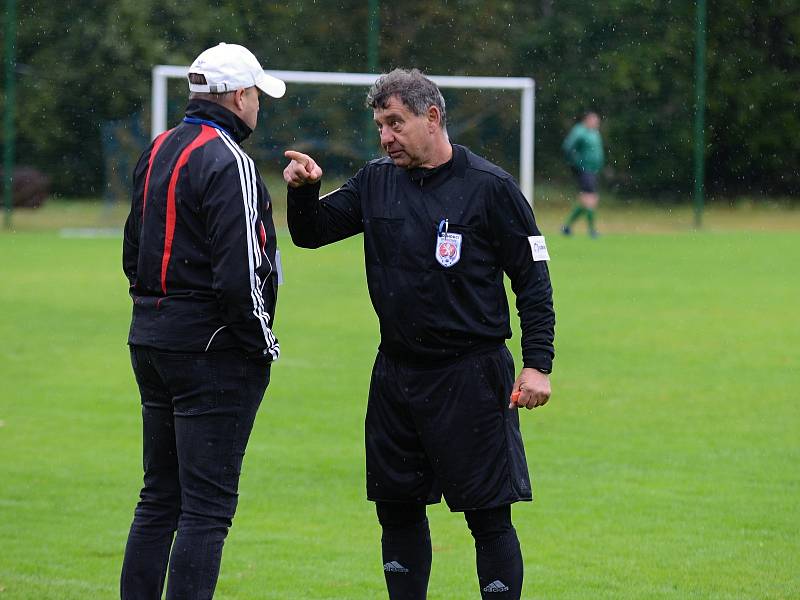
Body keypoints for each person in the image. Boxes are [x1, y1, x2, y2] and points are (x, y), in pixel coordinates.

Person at [283, 68, 555, 600]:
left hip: (472, 375)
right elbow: (311, 234)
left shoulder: (490, 187)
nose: (385, 137)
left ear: (432, 118)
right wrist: (305, 191)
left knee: (487, 517)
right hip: (397, 375)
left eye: (395, 123)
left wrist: (537, 363)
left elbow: (533, 279)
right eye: (380, 126)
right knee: (398, 511)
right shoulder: (376, 181)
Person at [120, 43, 286, 599]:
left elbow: (131, 249)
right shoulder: (229, 160)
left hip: (150, 337)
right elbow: (239, 274)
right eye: (256, 94)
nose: (259, 105)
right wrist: (262, 343)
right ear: (239, 96)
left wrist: (155, 313)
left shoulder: (159, 148)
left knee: (158, 499)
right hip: (210, 350)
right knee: (207, 511)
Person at [560, 111, 604, 238]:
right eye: (594, 120)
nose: (596, 123)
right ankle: (592, 231)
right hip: (585, 169)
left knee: (586, 200)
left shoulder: (594, 133)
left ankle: (567, 227)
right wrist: (577, 163)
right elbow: (568, 147)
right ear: (587, 120)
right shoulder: (579, 131)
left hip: (593, 170)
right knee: (591, 198)